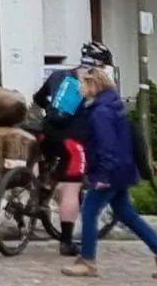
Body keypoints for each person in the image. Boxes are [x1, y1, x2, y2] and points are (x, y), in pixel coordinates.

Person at [65, 65, 157, 279]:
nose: (79, 88)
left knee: (89, 211)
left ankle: (87, 260)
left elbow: (107, 146)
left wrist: (103, 176)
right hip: (123, 170)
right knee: (126, 213)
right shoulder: (112, 105)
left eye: (82, 84)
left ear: (92, 85)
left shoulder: (101, 112)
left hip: (110, 172)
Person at [32, 41, 112, 256]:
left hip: (45, 134)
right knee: (71, 189)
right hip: (72, 140)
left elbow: (38, 98)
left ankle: (39, 194)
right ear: (101, 64)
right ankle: (66, 241)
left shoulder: (59, 76)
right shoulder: (94, 83)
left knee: (48, 167)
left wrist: (50, 109)